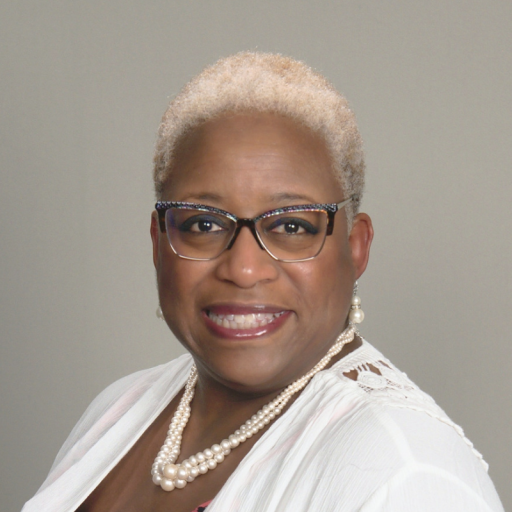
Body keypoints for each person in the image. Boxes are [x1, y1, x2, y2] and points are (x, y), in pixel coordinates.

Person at [22, 52, 504, 512]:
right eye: (204, 223)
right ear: (158, 242)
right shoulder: (118, 411)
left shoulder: (403, 469)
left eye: (291, 226)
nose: (244, 269)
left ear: (356, 248)